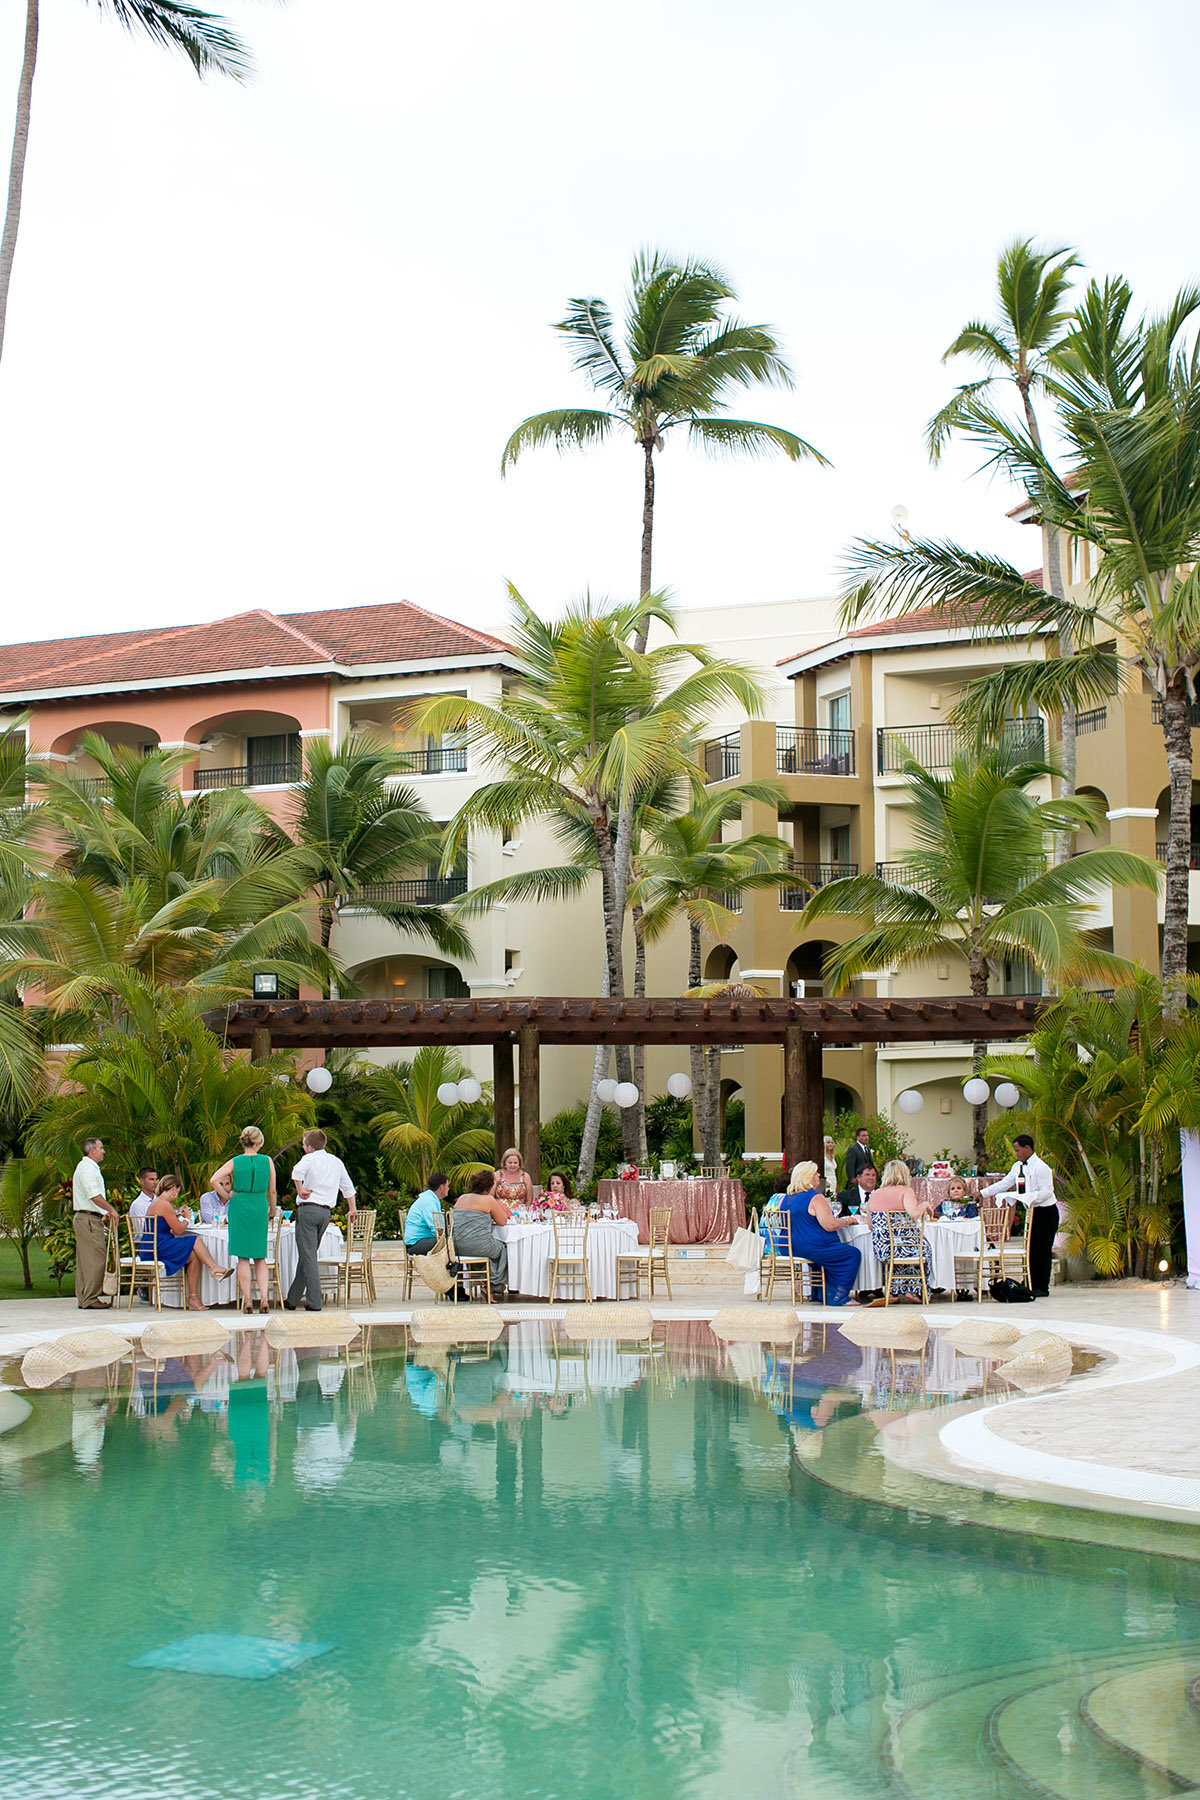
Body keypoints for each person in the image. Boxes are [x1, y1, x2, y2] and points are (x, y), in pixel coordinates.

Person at [762, 1158, 861, 1306]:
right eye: (815, 1173)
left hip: (788, 1246)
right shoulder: (815, 1197)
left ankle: (819, 1293)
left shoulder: (787, 1199)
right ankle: (838, 1296)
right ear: (808, 1177)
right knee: (852, 1254)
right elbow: (830, 1225)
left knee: (822, 1258)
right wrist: (848, 1220)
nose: (819, 1175)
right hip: (809, 1246)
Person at [286, 1128, 356, 1313]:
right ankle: (292, 1299)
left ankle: (314, 1302)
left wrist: (300, 1189)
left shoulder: (309, 1159)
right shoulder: (335, 1161)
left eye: (303, 1145)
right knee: (307, 1254)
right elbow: (347, 1186)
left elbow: (296, 1173)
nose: (303, 1147)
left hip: (308, 1210)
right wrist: (352, 1209)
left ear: (309, 1147)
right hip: (325, 1214)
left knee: (309, 1256)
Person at [139, 1176, 233, 1311]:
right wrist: (187, 1219)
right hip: (157, 1246)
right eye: (177, 1192)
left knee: (193, 1257)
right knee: (194, 1239)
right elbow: (178, 1230)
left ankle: (193, 1298)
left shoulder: (158, 1203)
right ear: (173, 1189)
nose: (176, 1196)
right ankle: (214, 1268)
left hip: (154, 1245)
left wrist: (177, 1216)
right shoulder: (164, 1204)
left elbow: (167, 1224)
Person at [211, 1126, 277, 1315]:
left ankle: (247, 1300)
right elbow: (272, 1191)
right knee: (260, 1256)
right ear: (258, 1143)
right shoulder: (267, 1161)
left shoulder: (235, 1161)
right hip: (258, 1204)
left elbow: (213, 1179)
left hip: (239, 1205)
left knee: (242, 1258)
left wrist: (228, 1195)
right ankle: (264, 1298)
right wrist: (271, 1209)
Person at [982, 1134, 1058, 1297]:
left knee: (1042, 1250)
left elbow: (1047, 1191)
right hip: (1032, 1212)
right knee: (1031, 1249)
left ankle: (1042, 1287)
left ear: (1027, 1148)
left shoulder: (1041, 1167)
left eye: (1018, 1150)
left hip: (1045, 1211)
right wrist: (983, 1193)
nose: (1016, 1154)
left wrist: (1030, 1197)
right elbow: (1005, 1183)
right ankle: (1031, 1282)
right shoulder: (1017, 1167)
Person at [867, 1159, 938, 1304]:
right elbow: (913, 1213)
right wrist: (924, 1205)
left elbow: (870, 1226)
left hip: (882, 1248)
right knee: (925, 1248)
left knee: (908, 1249)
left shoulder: (874, 1194)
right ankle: (915, 1290)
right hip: (904, 1247)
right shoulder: (905, 1191)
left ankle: (895, 1290)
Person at [71, 1136, 119, 1310]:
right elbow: (94, 1195)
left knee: (87, 1259)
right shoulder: (87, 1169)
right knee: (95, 1258)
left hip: (88, 1217)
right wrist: (110, 1210)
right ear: (92, 1151)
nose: (104, 1151)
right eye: (101, 1148)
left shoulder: (89, 1168)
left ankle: (85, 1297)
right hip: (88, 1218)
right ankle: (90, 1297)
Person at [452, 1170, 513, 1295]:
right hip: (479, 1246)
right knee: (502, 1249)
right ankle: (494, 1285)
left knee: (485, 1251)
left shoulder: (462, 1199)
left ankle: (483, 1280)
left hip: (456, 1247)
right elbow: (503, 1221)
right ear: (488, 1188)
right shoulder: (488, 1200)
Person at [406, 1173, 449, 1256]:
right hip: (416, 1244)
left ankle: (453, 1268)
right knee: (453, 1243)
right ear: (441, 1187)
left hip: (421, 1240)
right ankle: (455, 1268)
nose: (448, 1189)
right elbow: (437, 1229)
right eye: (447, 1186)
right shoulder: (429, 1202)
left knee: (453, 1242)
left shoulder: (431, 1199)